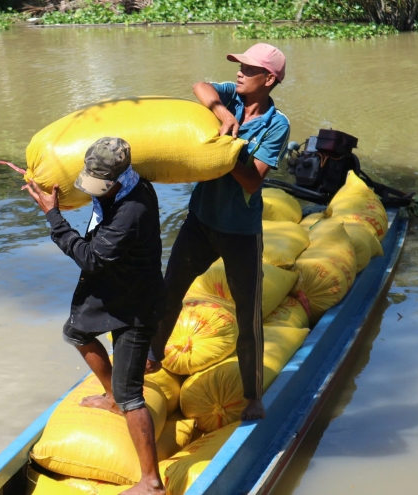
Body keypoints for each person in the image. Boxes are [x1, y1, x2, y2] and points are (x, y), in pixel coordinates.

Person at [146, 43, 291, 421]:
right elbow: (199, 85)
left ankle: (252, 396)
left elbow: (252, 181)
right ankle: (151, 356)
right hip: (200, 220)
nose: (240, 72)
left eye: (248, 68)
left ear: (269, 79)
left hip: (240, 232)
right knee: (168, 290)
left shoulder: (277, 125)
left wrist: (226, 149)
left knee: (249, 315)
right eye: (239, 65)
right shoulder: (232, 96)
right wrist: (220, 110)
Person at [24, 137, 166, 495]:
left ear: (121, 178)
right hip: (113, 289)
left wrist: (53, 217)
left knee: (132, 393)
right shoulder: (121, 187)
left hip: (136, 304)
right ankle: (111, 396)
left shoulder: (133, 209)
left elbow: (90, 258)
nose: (95, 191)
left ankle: (151, 482)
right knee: (75, 331)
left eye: (102, 184)